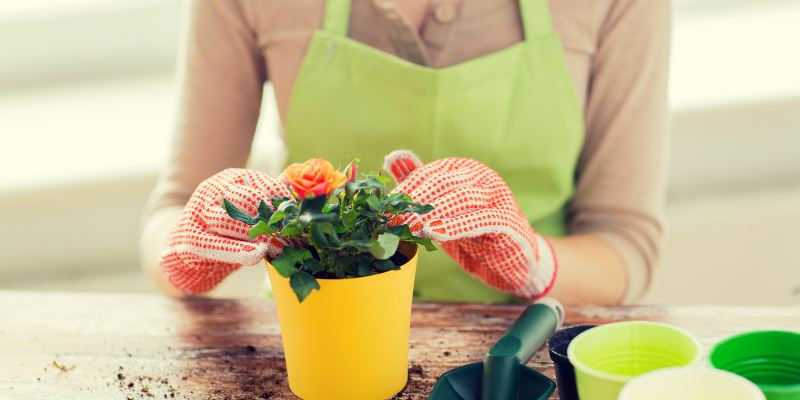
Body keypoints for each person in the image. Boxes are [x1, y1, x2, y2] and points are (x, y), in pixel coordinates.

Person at [140, 0, 671, 304]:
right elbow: (173, 208)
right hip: (314, 337)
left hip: (518, 350)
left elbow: (624, 239)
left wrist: (534, 261)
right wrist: (190, 248)